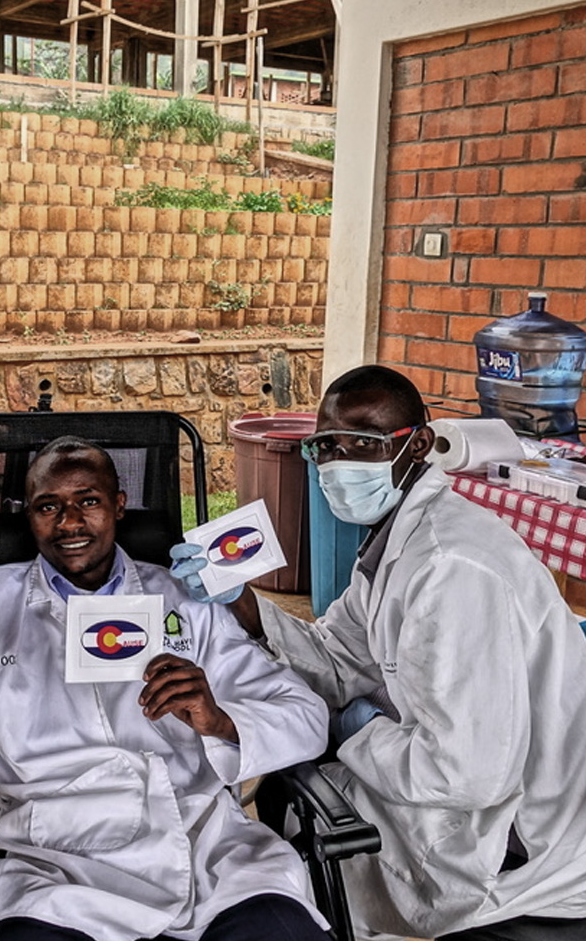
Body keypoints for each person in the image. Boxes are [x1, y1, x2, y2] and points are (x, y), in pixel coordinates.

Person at [174, 365, 586, 941]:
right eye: (327, 446)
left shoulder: (450, 568)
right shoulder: (398, 543)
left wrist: (353, 732)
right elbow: (338, 656)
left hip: (512, 841)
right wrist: (241, 601)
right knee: (292, 801)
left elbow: (467, 774)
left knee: (301, 827)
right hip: (456, 778)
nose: (340, 464)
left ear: (417, 445)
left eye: (364, 444)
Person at [0, 435, 332, 941]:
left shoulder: (184, 599)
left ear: (119, 505)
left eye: (88, 501)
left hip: (205, 851)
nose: (69, 522)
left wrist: (218, 719)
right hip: (57, 867)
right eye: (49, 506)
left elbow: (307, 717)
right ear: (29, 516)